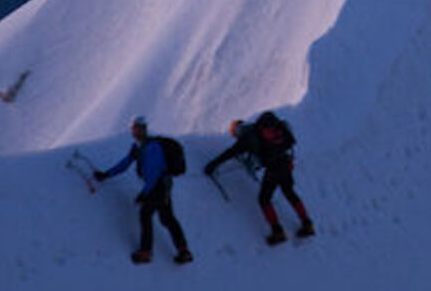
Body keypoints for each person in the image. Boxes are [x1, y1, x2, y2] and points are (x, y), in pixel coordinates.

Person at [204, 110, 316, 244]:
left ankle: (277, 231)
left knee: (264, 199)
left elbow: (230, 153)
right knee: (289, 192)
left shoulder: (247, 138)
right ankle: (307, 223)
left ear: (236, 133)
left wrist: (213, 165)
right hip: (286, 163)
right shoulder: (272, 127)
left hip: (274, 169)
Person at [95, 116, 193, 265]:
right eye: (134, 128)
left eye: (137, 128)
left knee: (145, 214)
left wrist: (145, 193)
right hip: (162, 185)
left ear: (143, 129)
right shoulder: (139, 147)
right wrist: (107, 174)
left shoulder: (152, 147)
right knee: (167, 218)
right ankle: (183, 251)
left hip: (158, 185)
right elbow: (125, 164)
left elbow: (155, 172)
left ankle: (145, 252)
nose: (134, 131)